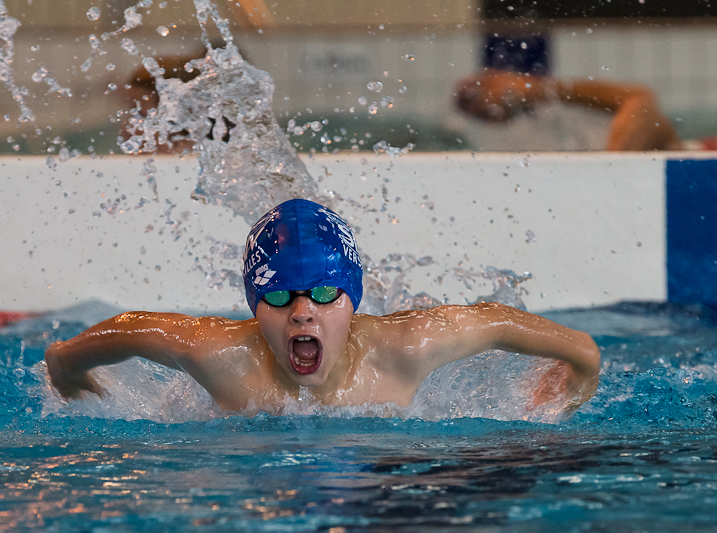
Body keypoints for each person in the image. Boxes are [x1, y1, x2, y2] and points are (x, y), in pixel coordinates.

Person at [45, 199, 600, 413]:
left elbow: (574, 347)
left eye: (326, 295)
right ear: (255, 307)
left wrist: (564, 390)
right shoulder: (218, 355)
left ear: (353, 301)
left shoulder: (408, 347)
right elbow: (85, 348)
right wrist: (75, 384)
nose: (303, 313)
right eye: (279, 296)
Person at [455, 68, 687, 151]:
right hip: (612, 176)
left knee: (643, 114)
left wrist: (540, 89)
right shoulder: (497, 143)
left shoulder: (559, 117)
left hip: (616, 173)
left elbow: (641, 100)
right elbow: (640, 98)